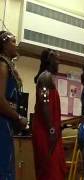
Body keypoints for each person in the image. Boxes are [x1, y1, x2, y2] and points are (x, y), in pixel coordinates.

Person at [32, 49, 66, 180]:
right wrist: (51, 129)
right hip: (45, 132)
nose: (58, 63)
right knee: (50, 172)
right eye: (57, 60)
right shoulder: (45, 77)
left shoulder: (46, 77)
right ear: (50, 59)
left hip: (49, 131)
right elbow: (45, 103)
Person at [0, 31, 27, 180]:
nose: (16, 44)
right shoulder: (2, 65)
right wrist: (18, 117)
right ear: (4, 44)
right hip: (2, 122)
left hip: (6, 122)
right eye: (13, 41)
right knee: (3, 167)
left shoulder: (8, 66)